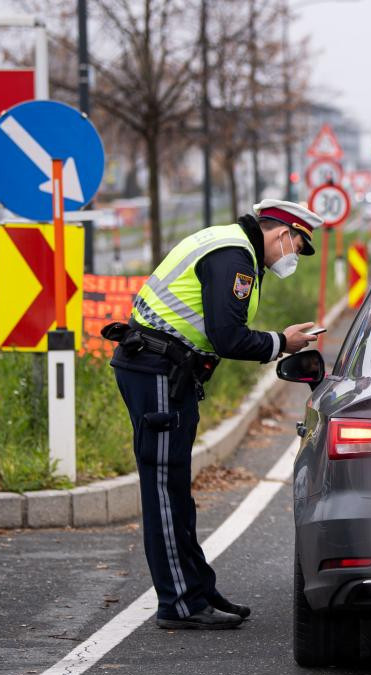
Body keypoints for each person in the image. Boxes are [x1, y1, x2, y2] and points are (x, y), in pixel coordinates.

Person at [108, 199, 323, 630]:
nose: (294, 256)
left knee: (175, 490)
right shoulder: (235, 257)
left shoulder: (229, 245)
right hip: (156, 371)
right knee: (165, 491)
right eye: (297, 246)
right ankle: (179, 603)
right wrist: (282, 342)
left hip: (163, 370)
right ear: (282, 234)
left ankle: (198, 588)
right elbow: (228, 337)